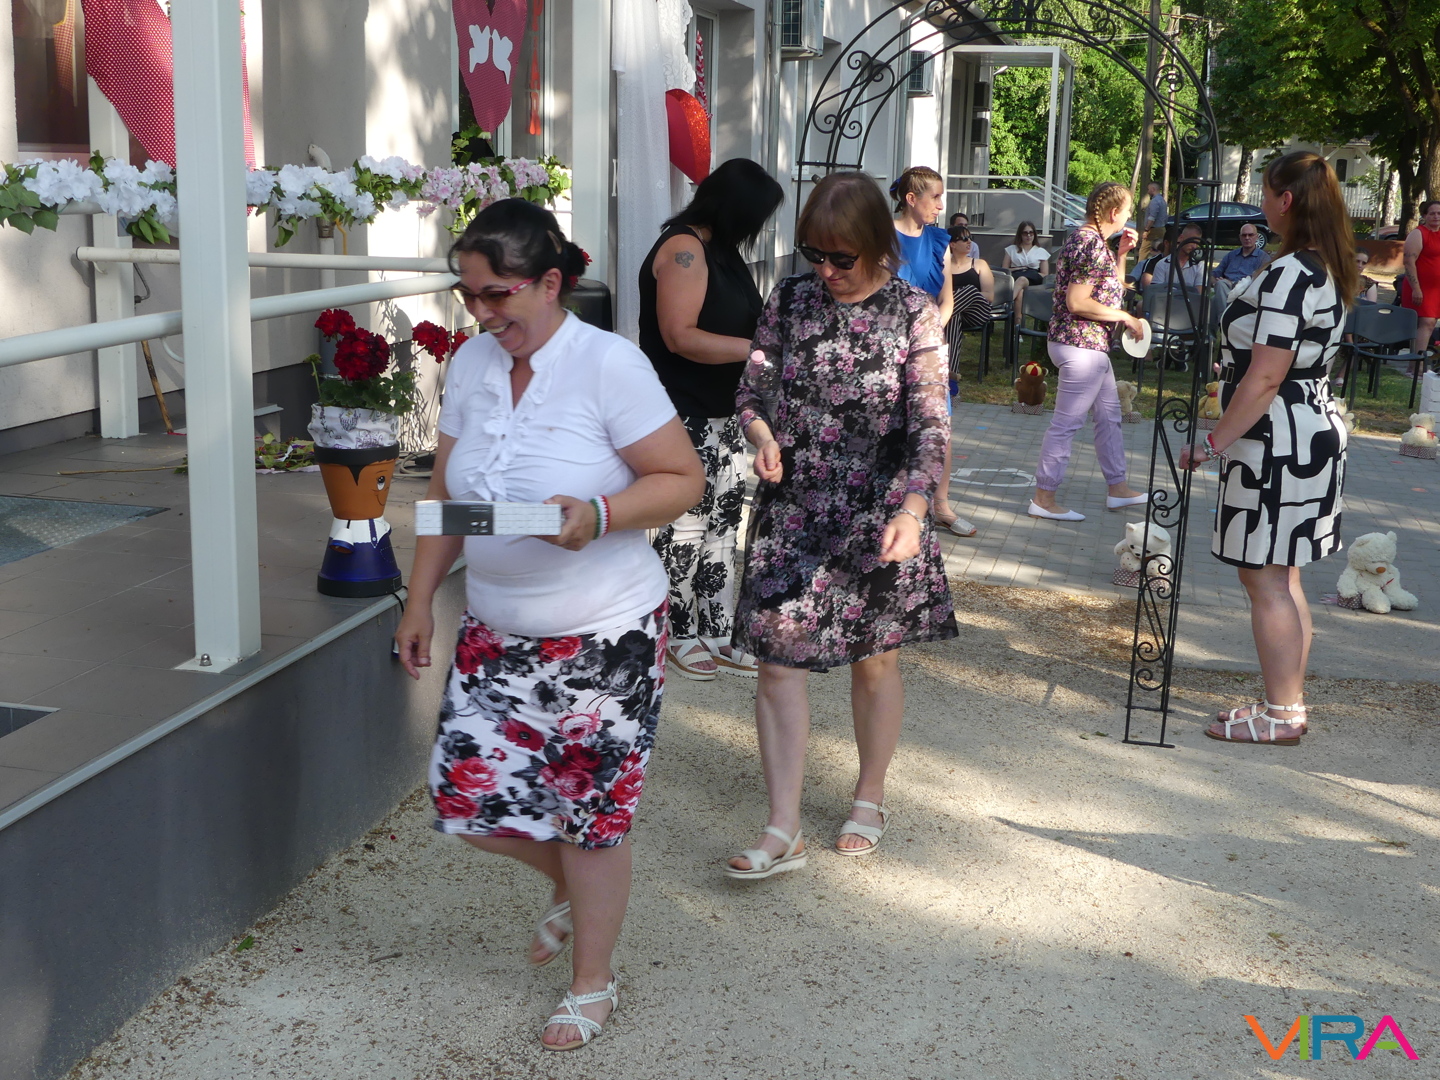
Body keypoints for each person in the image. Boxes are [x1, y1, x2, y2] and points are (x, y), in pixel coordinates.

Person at [394, 200, 704, 1051]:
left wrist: (600, 513)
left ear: (551, 283)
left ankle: (592, 981)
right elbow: (447, 500)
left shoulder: (608, 364)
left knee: (592, 822)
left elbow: (683, 479)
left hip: (605, 638)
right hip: (494, 631)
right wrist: (420, 599)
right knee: (468, 803)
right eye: (468, 295)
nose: (481, 313)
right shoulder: (470, 363)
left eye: (497, 294)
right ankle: (570, 887)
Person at [724, 171, 958, 878]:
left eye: (841, 257)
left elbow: (931, 425)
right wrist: (763, 436)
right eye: (814, 255)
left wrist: (915, 510)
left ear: (876, 243)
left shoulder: (913, 312)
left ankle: (869, 795)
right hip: (794, 506)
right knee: (776, 661)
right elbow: (751, 392)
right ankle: (782, 827)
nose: (825, 270)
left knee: (875, 658)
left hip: (880, 510)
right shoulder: (789, 300)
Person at [1179, 151, 1356, 746]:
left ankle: (1282, 714)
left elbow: (1265, 375)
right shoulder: (1325, 267)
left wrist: (1212, 444)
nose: (1259, 203)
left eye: (1265, 192)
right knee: (1285, 575)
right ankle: (1287, 700)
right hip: (1308, 426)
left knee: (1265, 579)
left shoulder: (1289, 275)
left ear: (1286, 200)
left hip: (1277, 437)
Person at [639, 158, 784, 682]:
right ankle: (676, 632)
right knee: (685, 525)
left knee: (723, 525)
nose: (758, 228)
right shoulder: (683, 249)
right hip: (683, 412)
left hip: (724, 412)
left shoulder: (719, 250)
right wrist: (756, 351)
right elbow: (679, 336)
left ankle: (717, 629)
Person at [1028, 181, 1150, 522]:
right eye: (1128, 210)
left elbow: (1110, 292)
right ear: (1114, 212)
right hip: (1080, 346)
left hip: (1087, 346)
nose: (1129, 217)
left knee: (1109, 418)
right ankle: (1043, 498)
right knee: (1066, 424)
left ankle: (1118, 489)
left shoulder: (1093, 242)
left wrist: (1121, 254)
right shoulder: (1090, 244)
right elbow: (1078, 302)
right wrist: (1125, 317)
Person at [891, 165, 976, 537]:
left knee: (940, 424)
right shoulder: (881, 237)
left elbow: (947, 300)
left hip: (927, 346)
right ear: (912, 199)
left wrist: (926, 336)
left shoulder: (940, 240)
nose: (941, 205)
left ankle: (941, 505)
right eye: (936, 197)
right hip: (887, 347)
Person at [945, 223, 996, 382]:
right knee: (953, 317)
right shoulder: (944, 265)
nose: (969, 242)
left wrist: (958, 296)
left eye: (970, 238)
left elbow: (989, 295)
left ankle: (934, 320)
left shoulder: (979, 264)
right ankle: (950, 373)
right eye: (964, 238)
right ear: (952, 244)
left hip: (977, 310)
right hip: (954, 313)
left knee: (970, 290)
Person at [1399, 199, 1440, 356]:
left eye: (1439, 213)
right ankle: (1416, 364)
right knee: (1426, 322)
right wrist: (1416, 289)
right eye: (1432, 213)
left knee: (1431, 323)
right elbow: (1409, 262)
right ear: (1424, 215)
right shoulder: (1418, 233)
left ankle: (1418, 362)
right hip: (1421, 288)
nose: (1436, 216)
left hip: (1436, 289)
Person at [1002, 220, 1050, 305]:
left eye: (1031, 233)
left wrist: (1031, 274)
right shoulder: (1011, 249)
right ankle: (1015, 314)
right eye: (1025, 233)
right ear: (1020, 234)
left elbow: (1045, 273)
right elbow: (1004, 269)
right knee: (1020, 293)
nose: (1028, 236)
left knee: (1022, 279)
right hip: (1015, 275)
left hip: (1033, 278)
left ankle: (1004, 302)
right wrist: (1018, 268)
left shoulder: (1041, 251)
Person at [1147, 223, 1206, 292]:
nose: (1194, 247)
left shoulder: (1199, 265)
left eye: (1197, 243)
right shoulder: (1162, 264)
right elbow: (1157, 292)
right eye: (1191, 242)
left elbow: (1198, 293)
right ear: (1181, 238)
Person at [1135, 180, 1167, 263]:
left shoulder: (1154, 201)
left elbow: (1152, 218)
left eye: (1149, 189)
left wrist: (1146, 230)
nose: (1148, 191)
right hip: (1162, 228)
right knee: (1160, 249)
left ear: (1153, 189)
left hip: (1153, 229)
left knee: (1144, 250)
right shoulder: (1162, 200)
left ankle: (1140, 267)